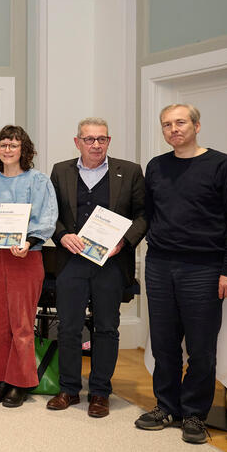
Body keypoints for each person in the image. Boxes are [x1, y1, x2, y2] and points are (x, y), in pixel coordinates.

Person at [135, 104, 227, 445]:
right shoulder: (156, 167)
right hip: (159, 265)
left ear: (197, 125)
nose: (174, 129)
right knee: (164, 344)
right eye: (167, 124)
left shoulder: (223, 165)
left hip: (204, 268)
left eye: (180, 122)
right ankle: (166, 407)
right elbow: (147, 216)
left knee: (201, 347)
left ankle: (195, 413)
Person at [47, 118, 147, 418]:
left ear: (109, 141)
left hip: (111, 264)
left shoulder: (129, 172)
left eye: (101, 139)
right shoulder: (60, 170)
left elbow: (143, 215)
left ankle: (100, 392)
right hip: (71, 263)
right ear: (77, 142)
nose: (95, 145)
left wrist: (124, 242)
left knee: (106, 328)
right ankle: (68, 389)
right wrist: (62, 234)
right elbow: (50, 213)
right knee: (68, 328)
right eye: (89, 139)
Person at [0, 125, 57, 408]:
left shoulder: (39, 181)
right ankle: (2, 377)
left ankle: (20, 381)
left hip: (25, 257)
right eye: (3, 145)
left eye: (13, 145)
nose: (8, 149)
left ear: (24, 150)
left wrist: (29, 242)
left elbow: (47, 217)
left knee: (21, 323)